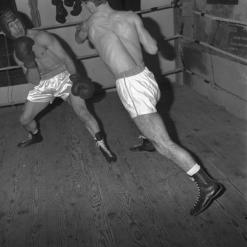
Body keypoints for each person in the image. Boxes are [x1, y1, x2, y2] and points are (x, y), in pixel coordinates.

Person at [74, 0, 225, 216]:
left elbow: (79, 38)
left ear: (87, 3)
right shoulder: (130, 17)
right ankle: (147, 141)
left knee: (164, 143)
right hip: (146, 77)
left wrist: (82, 24)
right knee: (146, 119)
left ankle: (206, 184)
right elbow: (153, 47)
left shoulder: (91, 24)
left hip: (131, 85)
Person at [0, 8, 116, 163]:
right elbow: (33, 81)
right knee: (24, 119)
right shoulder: (17, 54)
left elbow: (67, 59)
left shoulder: (42, 37)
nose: (17, 27)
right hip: (43, 83)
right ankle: (35, 135)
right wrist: (30, 62)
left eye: (16, 22)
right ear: (6, 32)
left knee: (82, 111)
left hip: (64, 76)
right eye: (11, 26)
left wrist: (76, 78)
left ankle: (102, 145)